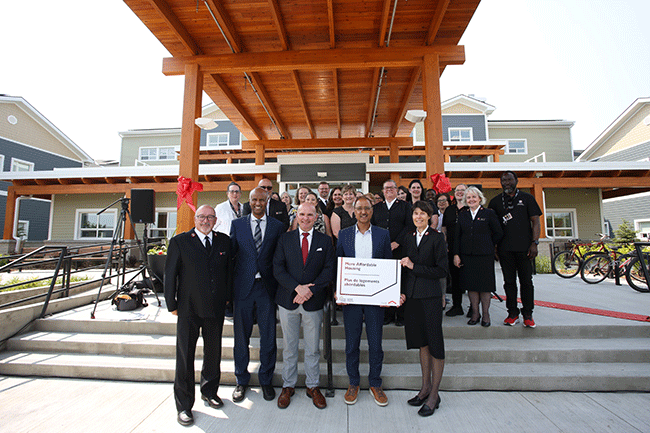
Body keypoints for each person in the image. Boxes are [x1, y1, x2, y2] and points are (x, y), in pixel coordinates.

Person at [164, 205, 231, 427]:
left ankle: (209, 391)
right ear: (195, 218)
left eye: (210, 217)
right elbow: (170, 275)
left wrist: (227, 298)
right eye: (201, 217)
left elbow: (229, 273)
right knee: (185, 357)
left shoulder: (224, 241)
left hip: (215, 308)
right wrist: (171, 304)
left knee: (213, 353)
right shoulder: (180, 241)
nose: (205, 220)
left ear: (215, 220)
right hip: (188, 309)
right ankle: (184, 405)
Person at [273, 202, 336, 409]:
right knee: (289, 347)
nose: (306, 218)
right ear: (296, 216)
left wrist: (311, 290)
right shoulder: (284, 239)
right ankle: (288, 385)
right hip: (288, 300)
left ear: (316, 216)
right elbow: (278, 268)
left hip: (313, 301)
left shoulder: (325, 241)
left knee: (312, 348)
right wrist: (297, 288)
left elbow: (329, 270)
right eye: (302, 214)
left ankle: (313, 385)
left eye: (310, 215)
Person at [230, 187, 285, 403]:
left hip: (267, 290)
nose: (258, 203)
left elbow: (280, 258)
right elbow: (232, 256)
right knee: (241, 338)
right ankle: (241, 380)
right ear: (249, 201)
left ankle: (266, 380)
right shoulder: (238, 225)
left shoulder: (277, 226)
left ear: (267, 201)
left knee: (269, 338)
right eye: (254, 199)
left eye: (262, 199)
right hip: (243, 289)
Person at [336, 196, 393, 407]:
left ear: (372, 211)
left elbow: (388, 263)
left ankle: (375, 383)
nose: (362, 212)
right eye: (359, 208)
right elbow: (338, 264)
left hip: (375, 299)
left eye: (366, 208)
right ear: (354, 212)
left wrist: (388, 293)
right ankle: (353, 383)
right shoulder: (344, 234)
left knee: (376, 342)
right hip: (351, 298)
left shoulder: (382, 234)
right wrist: (338, 291)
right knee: (351, 343)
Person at [399, 201, 448, 417]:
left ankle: (434, 395)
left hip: (430, 297)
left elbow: (442, 270)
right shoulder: (408, 237)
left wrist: (414, 266)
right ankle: (424, 388)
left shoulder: (437, 238)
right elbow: (402, 268)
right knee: (422, 343)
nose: (419, 217)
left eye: (423, 214)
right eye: (415, 213)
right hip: (412, 297)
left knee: (435, 344)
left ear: (430, 216)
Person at [488, 171, 542, 328]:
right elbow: (492, 227)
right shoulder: (496, 202)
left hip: (525, 248)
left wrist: (535, 243)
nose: (506, 183)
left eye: (509, 179)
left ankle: (528, 314)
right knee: (509, 282)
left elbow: (536, 222)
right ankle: (512, 313)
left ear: (516, 180)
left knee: (526, 281)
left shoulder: (527, 199)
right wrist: (495, 247)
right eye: (503, 180)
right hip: (505, 249)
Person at [453, 187, 503, 327]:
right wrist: (456, 254)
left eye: (474, 197)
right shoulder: (462, 215)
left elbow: (498, 232)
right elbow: (457, 236)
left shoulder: (488, 213)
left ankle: (486, 314)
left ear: (480, 199)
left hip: (484, 256)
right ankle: (475, 313)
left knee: (485, 286)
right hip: (467, 256)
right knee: (472, 286)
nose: (471, 200)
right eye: (468, 198)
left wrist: (488, 244)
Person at [371, 179, 414, 326]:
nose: (389, 190)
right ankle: (387, 314)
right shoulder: (376, 207)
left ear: (396, 190)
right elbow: (373, 227)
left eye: (392, 188)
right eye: (386, 188)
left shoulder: (405, 206)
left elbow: (409, 225)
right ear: (383, 191)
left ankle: (401, 315)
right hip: (382, 251)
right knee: (386, 281)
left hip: (400, 250)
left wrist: (397, 242)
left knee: (401, 281)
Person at [442, 184, 467, 317]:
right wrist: (445, 244)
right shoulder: (449, 210)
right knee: (455, 279)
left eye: (463, 190)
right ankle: (457, 306)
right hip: (452, 248)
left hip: (468, 248)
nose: (460, 192)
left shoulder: (470, 208)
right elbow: (444, 228)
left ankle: (474, 308)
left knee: (469, 278)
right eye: (457, 190)